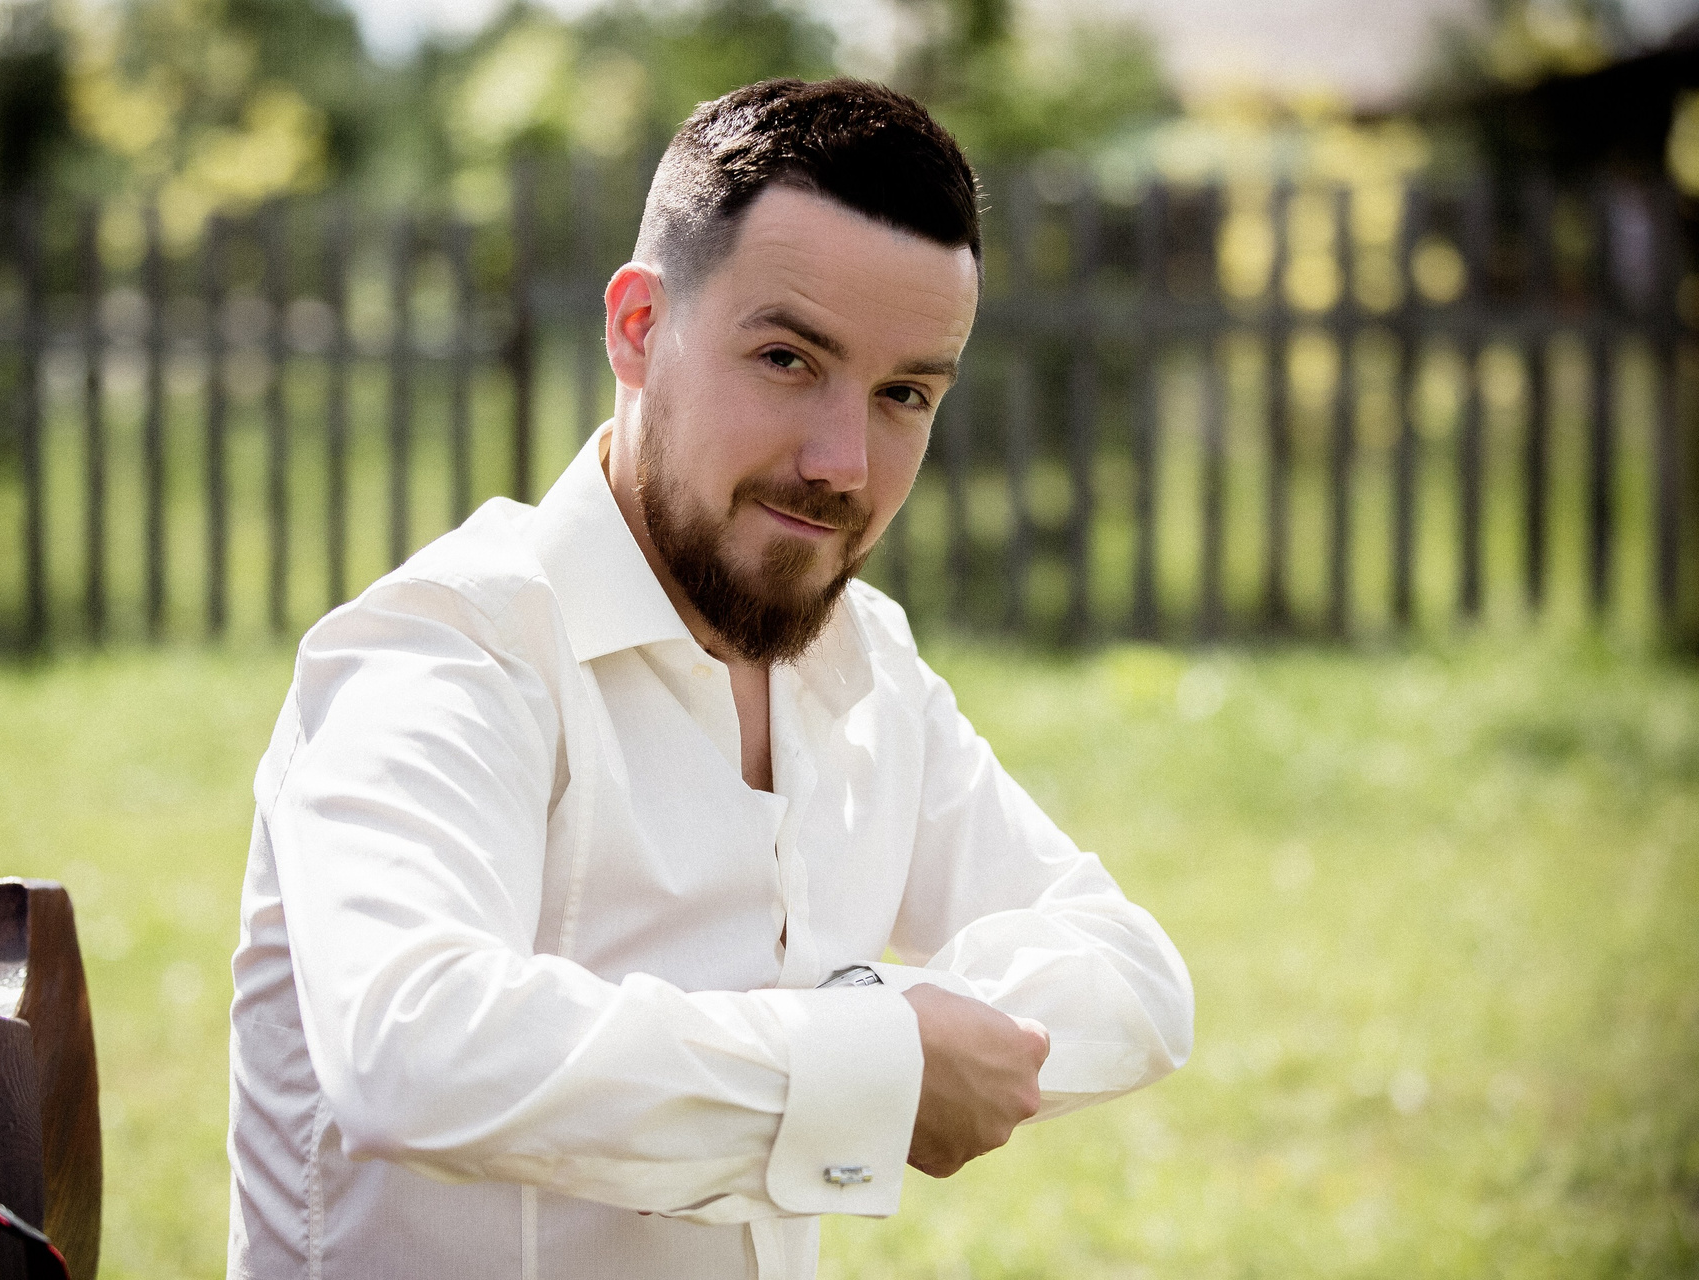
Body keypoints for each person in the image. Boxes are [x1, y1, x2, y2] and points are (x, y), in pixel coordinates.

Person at [227, 77, 1193, 1280]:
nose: (844, 461)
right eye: (788, 358)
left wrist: (879, 1036)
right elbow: (410, 1052)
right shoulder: (449, 646)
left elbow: (1132, 974)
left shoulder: (862, 662)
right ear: (638, 329)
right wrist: (866, 1059)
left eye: (904, 394)